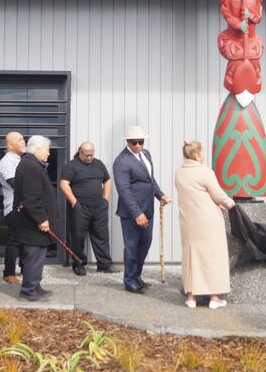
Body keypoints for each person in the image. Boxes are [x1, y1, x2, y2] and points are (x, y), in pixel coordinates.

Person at [175, 141, 236, 309]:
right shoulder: (205, 172)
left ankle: (191, 297)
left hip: (188, 222)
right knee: (212, 256)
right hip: (208, 221)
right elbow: (217, 194)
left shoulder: (179, 173)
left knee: (191, 255)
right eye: (201, 151)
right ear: (197, 154)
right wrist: (229, 203)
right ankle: (214, 298)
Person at [113, 126, 173, 294]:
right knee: (132, 247)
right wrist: (137, 213)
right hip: (133, 213)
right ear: (127, 142)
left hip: (148, 209)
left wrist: (160, 195)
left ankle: (137, 276)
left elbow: (150, 180)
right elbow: (123, 190)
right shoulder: (121, 162)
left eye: (141, 142)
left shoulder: (146, 155)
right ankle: (129, 280)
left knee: (144, 245)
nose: (138, 145)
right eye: (134, 143)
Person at [60, 141, 116, 276]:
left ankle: (104, 265)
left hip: (99, 207)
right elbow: (64, 184)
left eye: (92, 155)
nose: (90, 158)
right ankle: (79, 264)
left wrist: (105, 200)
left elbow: (107, 181)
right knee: (78, 236)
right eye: (87, 155)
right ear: (80, 152)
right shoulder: (71, 166)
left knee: (101, 235)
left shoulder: (99, 164)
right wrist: (74, 203)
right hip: (81, 207)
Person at [12, 135, 57, 302]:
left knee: (37, 256)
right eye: (46, 150)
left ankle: (35, 286)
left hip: (34, 222)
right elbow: (32, 198)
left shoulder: (32, 164)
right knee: (34, 256)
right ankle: (28, 290)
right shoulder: (31, 166)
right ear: (37, 149)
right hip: (32, 223)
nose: (48, 154)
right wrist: (41, 219)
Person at [0, 131, 25, 284]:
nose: (24, 142)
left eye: (23, 139)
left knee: (25, 240)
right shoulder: (7, 161)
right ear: (10, 145)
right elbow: (16, 184)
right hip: (14, 207)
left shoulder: (21, 160)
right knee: (15, 241)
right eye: (20, 139)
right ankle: (8, 273)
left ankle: (25, 269)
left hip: (25, 207)